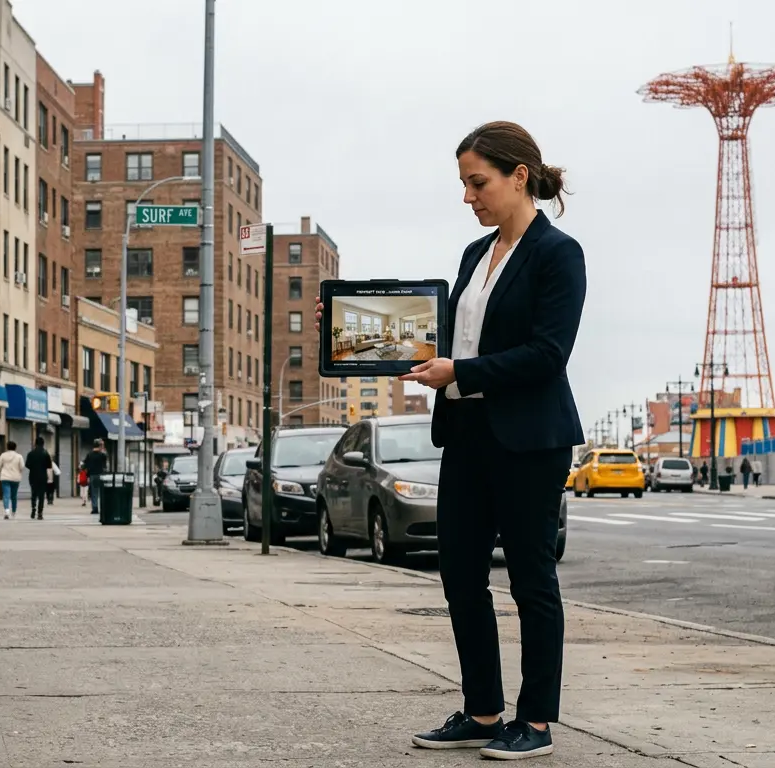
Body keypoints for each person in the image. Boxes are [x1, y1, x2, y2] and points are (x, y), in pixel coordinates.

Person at [320, 122, 584, 760]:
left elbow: (547, 354)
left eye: (478, 182)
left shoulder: (558, 253)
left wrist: (459, 372)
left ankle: (537, 722)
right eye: (464, 184)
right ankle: (483, 711)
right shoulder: (474, 255)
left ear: (520, 176)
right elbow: (446, 342)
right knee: (460, 576)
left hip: (529, 439)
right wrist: (368, 342)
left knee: (530, 579)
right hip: (465, 433)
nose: (469, 196)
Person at [0, 441, 26, 519]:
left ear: (7, 447)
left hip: (5, 477)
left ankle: (7, 511)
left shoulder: (3, 455)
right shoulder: (19, 456)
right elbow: (22, 467)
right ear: (15, 447)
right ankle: (14, 512)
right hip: (15, 478)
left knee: (6, 495)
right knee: (14, 496)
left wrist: (1, 471)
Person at [25, 437, 52, 519]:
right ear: (43, 443)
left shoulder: (30, 453)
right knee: (41, 496)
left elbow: (27, 465)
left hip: (33, 476)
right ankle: (40, 513)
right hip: (43, 477)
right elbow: (49, 465)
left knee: (33, 494)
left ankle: (33, 510)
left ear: (35, 443)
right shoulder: (46, 453)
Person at [81, 439, 109, 514]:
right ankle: (102, 508)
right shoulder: (102, 455)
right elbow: (105, 463)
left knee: (94, 493)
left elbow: (84, 465)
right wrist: (103, 448)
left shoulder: (89, 454)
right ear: (100, 446)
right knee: (102, 492)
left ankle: (95, 508)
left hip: (92, 476)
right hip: (101, 476)